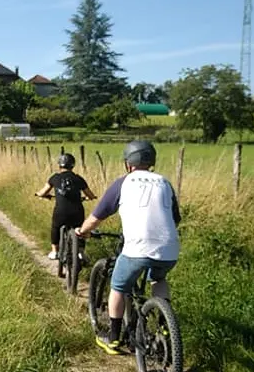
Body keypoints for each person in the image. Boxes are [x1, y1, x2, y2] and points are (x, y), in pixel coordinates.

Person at [75, 140, 181, 355]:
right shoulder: (165, 182)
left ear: (128, 163)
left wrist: (82, 231)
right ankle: (164, 328)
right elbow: (175, 218)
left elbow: (97, 216)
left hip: (137, 247)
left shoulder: (123, 183)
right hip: (169, 248)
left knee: (118, 287)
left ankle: (114, 338)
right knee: (158, 279)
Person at [34, 153, 97, 260]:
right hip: (77, 212)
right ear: (73, 165)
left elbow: (43, 192)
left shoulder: (54, 178)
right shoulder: (79, 179)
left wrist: (39, 194)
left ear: (59, 165)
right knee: (81, 229)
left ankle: (55, 251)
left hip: (61, 212)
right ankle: (81, 252)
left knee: (55, 227)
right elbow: (90, 195)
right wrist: (90, 197)